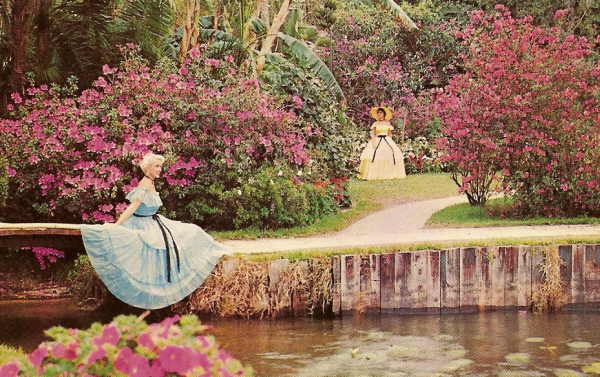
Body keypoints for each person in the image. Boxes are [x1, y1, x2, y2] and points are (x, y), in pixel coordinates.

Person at [80, 153, 228, 309]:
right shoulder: (145, 184)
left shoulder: (150, 183)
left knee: (192, 231)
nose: (160, 169)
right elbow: (133, 207)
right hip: (142, 225)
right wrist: (117, 225)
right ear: (148, 168)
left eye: (160, 166)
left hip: (154, 221)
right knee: (187, 234)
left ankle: (210, 250)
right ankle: (155, 292)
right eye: (156, 166)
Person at [358, 106, 406, 180]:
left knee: (389, 154)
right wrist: (373, 141)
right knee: (374, 155)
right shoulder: (375, 123)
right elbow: (372, 133)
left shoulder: (387, 123)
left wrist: (390, 142)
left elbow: (390, 134)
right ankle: (374, 173)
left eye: (380, 112)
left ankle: (388, 173)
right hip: (377, 139)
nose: (379, 114)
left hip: (386, 140)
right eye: (378, 113)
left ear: (384, 114)